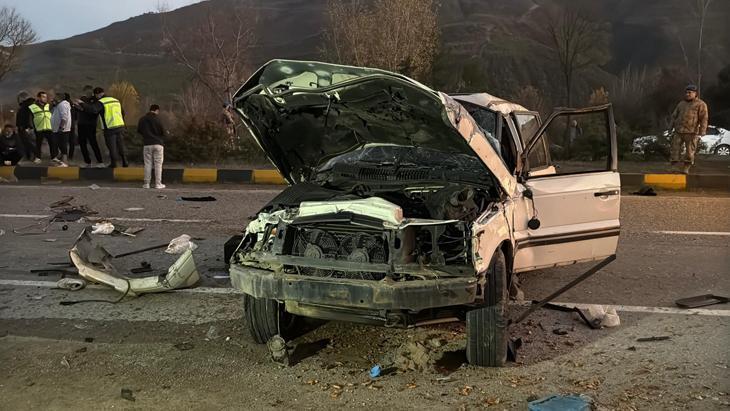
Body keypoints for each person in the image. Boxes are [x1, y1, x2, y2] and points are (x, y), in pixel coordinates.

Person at [76, 87, 127, 168]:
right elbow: (123, 113)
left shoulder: (102, 102)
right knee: (121, 144)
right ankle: (125, 161)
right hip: (120, 126)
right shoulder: (115, 100)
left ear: (97, 94)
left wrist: (82, 103)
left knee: (112, 146)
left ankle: (114, 163)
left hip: (109, 127)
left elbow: (93, 110)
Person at [670, 84, 709, 174]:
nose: (687, 94)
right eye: (686, 92)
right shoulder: (681, 103)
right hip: (679, 131)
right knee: (675, 149)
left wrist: (703, 130)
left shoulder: (701, 104)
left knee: (690, 151)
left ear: (695, 93)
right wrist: (670, 127)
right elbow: (674, 116)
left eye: (689, 92)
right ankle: (674, 166)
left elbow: (704, 118)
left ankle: (686, 167)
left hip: (691, 132)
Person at [73, 85, 104, 167]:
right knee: (82, 143)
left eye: (90, 92)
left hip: (91, 124)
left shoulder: (95, 100)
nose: (88, 94)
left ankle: (100, 161)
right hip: (81, 123)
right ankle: (87, 162)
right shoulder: (82, 98)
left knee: (93, 143)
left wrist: (82, 106)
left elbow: (92, 111)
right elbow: (78, 109)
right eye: (86, 92)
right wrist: (76, 107)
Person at [137, 104, 167, 189]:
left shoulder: (142, 119)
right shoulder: (158, 119)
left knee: (147, 163)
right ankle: (158, 184)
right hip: (158, 144)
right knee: (158, 164)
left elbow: (139, 130)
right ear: (157, 110)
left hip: (147, 144)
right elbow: (163, 132)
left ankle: (146, 184)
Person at [28, 91, 54, 162]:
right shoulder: (32, 107)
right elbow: (30, 117)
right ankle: (38, 157)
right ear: (38, 98)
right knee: (38, 144)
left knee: (52, 143)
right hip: (39, 128)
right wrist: (31, 127)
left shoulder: (49, 105)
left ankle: (53, 157)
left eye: (46, 97)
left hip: (49, 127)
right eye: (43, 97)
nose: (45, 98)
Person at [15, 91, 40, 163]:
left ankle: (37, 155)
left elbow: (30, 117)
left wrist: (28, 126)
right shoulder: (25, 105)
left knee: (28, 142)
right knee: (25, 143)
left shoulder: (28, 105)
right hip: (23, 127)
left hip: (26, 127)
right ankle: (29, 156)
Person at [50, 92, 72, 167]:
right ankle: (61, 161)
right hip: (57, 129)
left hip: (62, 129)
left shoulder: (63, 105)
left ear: (59, 98)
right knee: (59, 144)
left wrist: (61, 127)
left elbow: (64, 117)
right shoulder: (58, 105)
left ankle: (65, 162)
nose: (53, 98)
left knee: (63, 145)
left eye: (55, 96)